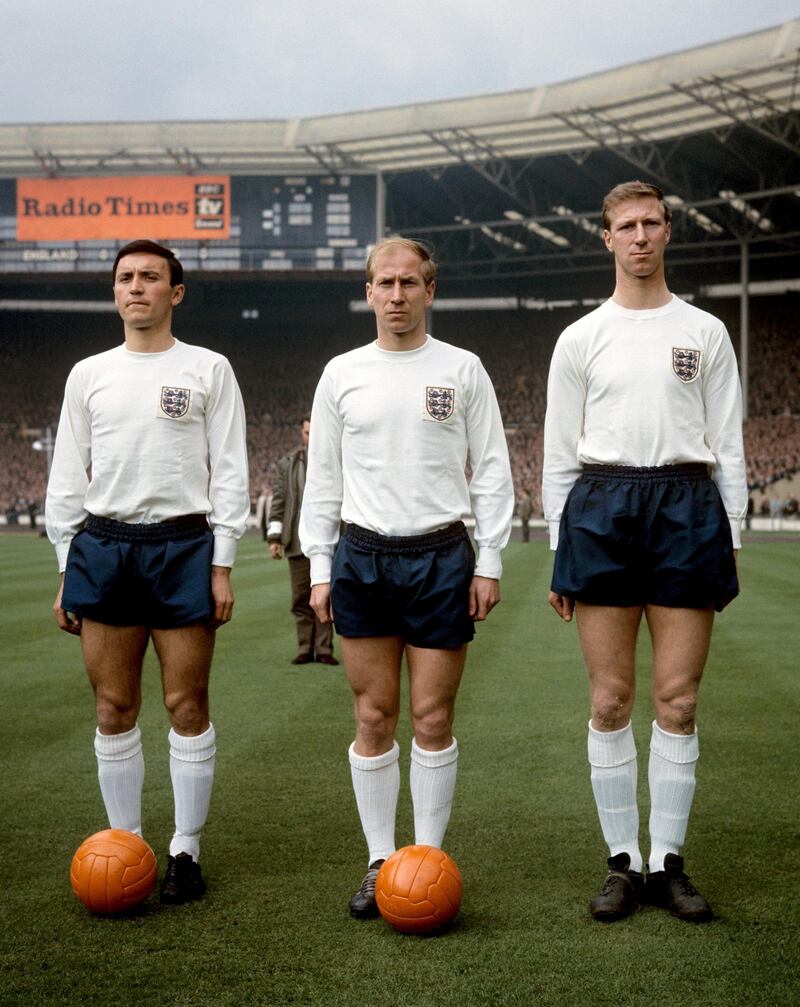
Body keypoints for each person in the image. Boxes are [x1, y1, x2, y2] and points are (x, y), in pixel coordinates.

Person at [543, 181, 747, 924]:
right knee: (610, 699)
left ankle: (670, 862)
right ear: (606, 238)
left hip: (687, 507)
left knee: (679, 701)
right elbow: (559, 451)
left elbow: (728, 440)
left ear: (669, 230)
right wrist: (562, 544)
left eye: (650, 222)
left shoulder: (706, 331)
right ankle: (622, 860)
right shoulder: (580, 337)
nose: (639, 236)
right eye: (625, 225)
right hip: (601, 507)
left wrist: (731, 530)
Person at [300, 237, 514, 919]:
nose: (396, 294)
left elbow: (495, 470)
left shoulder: (463, 369)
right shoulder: (341, 373)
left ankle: (427, 858)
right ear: (368, 291)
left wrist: (489, 559)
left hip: (441, 555)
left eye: (409, 282)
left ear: (431, 289)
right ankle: (379, 857)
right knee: (373, 714)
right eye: (384, 282)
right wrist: (321, 565)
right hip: (362, 555)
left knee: (431, 716)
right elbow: (323, 477)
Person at [45, 239, 250, 905]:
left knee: (186, 704)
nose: (137, 287)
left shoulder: (209, 368)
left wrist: (221, 564)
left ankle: (185, 848)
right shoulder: (89, 374)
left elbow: (231, 475)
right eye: (126, 277)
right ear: (115, 292)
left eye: (151, 277)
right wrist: (64, 566)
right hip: (104, 546)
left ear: (176, 292)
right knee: (113, 706)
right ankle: (124, 842)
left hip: (185, 545)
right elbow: (66, 481)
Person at [267, 417, 338, 666]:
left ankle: (324, 649)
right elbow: (279, 500)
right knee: (300, 598)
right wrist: (275, 537)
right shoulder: (288, 463)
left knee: (327, 594)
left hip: (330, 541)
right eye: (307, 432)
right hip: (297, 542)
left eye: (314, 431)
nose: (311, 436)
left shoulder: (335, 458)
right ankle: (305, 648)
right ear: (302, 433)